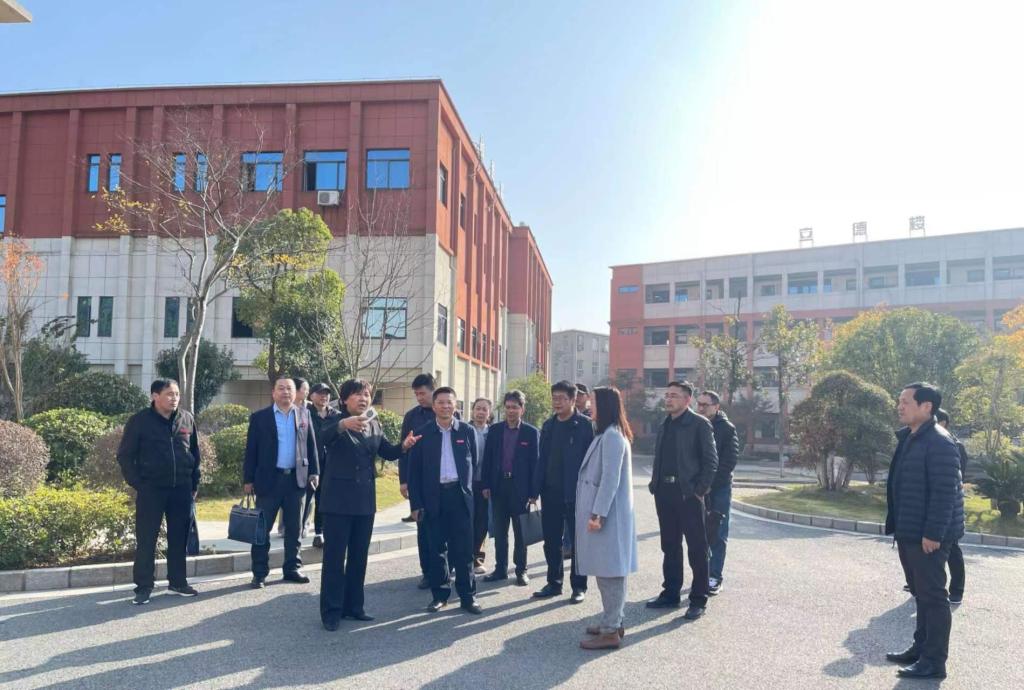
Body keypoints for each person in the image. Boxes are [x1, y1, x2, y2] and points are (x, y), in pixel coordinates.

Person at [318, 379, 420, 630]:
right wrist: (343, 425)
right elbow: (321, 438)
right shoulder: (332, 420)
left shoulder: (374, 423)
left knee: (359, 556)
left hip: (364, 501)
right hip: (337, 502)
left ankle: (354, 607)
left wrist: (404, 447)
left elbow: (387, 451)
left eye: (366, 395)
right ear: (344, 399)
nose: (363, 399)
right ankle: (331, 611)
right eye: (357, 395)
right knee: (334, 558)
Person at [884, 384, 965, 680]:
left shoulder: (940, 442)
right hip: (909, 531)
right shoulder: (912, 437)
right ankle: (920, 648)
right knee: (920, 593)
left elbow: (945, 493)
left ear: (926, 406)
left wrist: (933, 534)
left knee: (933, 597)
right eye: (899, 401)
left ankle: (934, 661)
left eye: (906, 401)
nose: (900, 406)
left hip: (927, 536)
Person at [117, 378, 201, 605]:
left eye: (177, 394)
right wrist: (139, 483)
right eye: (169, 394)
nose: (174, 398)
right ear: (155, 396)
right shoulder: (140, 421)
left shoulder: (186, 418)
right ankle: (144, 587)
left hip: (181, 489)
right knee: (147, 540)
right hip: (151, 490)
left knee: (179, 538)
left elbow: (195, 454)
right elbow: (125, 456)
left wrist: (194, 484)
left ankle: (178, 582)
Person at [408, 386, 483, 614]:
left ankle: (468, 596)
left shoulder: (467, 431)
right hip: (434, 497)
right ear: (434, 406)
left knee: (463, 550)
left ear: (456, 405)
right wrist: (415, 505)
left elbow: (474, 462)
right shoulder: (422, 433)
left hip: (459, 497)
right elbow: (414, 472)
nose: (445, 406)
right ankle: (440, 596)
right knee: (436, 549)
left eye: (449, 402)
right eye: (440, 402)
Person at [647, 380, 718, 620]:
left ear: (687, 400)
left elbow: (711, 461)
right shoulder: (665, 424)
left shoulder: (700, 424)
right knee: (670, 545)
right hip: (664, 492)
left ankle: (698, 599)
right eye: (667, 395)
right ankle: (670, 593)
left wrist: (700, 490)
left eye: (674, 395)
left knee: (697, 548)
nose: (668, 399)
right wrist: (655, 484)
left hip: (688, 494)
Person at [243, 376, 320, 589]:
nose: (286, 392)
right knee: (262, 530)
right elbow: (251, 450)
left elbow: (311, 445)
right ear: (273, 393)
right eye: (281, 388)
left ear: (295, 393)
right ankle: (259, 573)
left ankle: (292, 568)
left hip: (296, 481)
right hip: (269, 481)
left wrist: (314, 472)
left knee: (295, 529)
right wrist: (248, 479)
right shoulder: (260, 417)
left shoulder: (304, 414)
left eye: (289, 389)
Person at [576, 386, 638, 650]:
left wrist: (597, 514)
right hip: (606, 515)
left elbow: (610, 480)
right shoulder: (608, 434)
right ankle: (612, 621)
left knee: (610, 572)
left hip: (607, 517)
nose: (590, 406)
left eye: (594, 401)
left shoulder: (612, 436)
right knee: (607, 571)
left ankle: (611, 630)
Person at [533, 380, 594, 604]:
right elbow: (541, 459)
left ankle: (579, 586)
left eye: (562, 398)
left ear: (573, 399)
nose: (557, 402)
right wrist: (534, 490)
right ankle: (554, 583)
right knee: (551, 540)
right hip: (551, 493)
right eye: (554, 398)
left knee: (578, 542)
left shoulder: (585, 426)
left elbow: (592, 462)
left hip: (576, 493)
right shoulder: (549, 425)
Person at [481, 390, 540, 586]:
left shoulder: (531, 433)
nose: (511, 411)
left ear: (522, 409)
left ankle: (521, 570)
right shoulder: (495, 430)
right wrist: (486, 484)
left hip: (520, 490)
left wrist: (534, 493)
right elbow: (488, 460)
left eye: (515, 407)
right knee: (500, 532)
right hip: (498, 487)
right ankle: (500, 569)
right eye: (507, 407)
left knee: (521, 533)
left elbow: (535, 464)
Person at [696, 390, 738, 595]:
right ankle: (701, 575)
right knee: (699, 534)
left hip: (719, 488)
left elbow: (729, 462)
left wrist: (710, 484)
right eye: (699, 404)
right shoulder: (695, 425)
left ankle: (715, 576)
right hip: (698, 489)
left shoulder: (727, 428)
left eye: (705, 405)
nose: (701, 408)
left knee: (718, 532)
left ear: (716, 407)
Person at [399, 373, 438, 589]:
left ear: (433, 390)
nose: (419, 398)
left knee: (445, 528)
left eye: (422, 393)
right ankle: (427, 572)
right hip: (419, 481)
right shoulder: (411, 417)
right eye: (416, 394)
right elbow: (403, 450)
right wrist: (404, 480)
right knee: (423, 529)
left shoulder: (447, 412)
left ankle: (445, 569)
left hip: (444, 482)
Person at [935, 408, 968, 605]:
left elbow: (957, 478)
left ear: (943, 422)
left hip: (951, 505)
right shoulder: (928, 442)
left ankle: (957, 590)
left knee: (952, 549)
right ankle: (922, 584)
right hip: (933, 505)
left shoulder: (955, 445)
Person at [306, 383, 340, 549]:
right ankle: (298, 530)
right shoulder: (305, 414)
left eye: (326, 393)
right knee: (305, 499)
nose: (324, 396)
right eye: (320, 393)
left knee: (324, 498)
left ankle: (320, 532)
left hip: (331, 463)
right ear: (311, 396)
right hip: (309, 463)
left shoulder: (336, 415)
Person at [469, 398, 494, 574]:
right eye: (478, 408)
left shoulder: (493, 433)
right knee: (465, 521)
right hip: (467, 484)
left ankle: (477, 558)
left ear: (489, 413)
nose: (480, 412)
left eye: (484, 409)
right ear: (472, 410)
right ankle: (461, 557)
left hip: (485, 485)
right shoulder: (463, 430)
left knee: (482, 522)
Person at [291, 377, 315, 539]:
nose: (307, 392)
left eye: (307, 389)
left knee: (308, 497)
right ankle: (284, 526)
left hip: (304, 461)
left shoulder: (309, 409)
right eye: (304, 389)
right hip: (290, 461)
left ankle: (305, 525)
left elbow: (311, 440)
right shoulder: (288, 408)